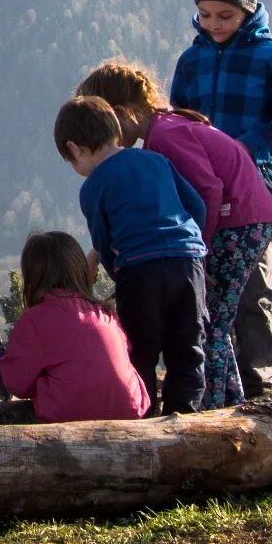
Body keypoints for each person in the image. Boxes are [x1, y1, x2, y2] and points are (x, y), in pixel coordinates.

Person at [76, 61, 272, 408]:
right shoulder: (163, 131)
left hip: (238, 221)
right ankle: (230, 398)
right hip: (243, 218)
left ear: (118, 115)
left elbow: (208, 190)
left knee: (212, 322)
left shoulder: (165, 137)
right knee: (212, 317)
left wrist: (196, 250)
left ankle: (213, 407)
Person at [168, 0, 272, 398]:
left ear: (248, 8)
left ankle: (259, 385)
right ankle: (217, 386)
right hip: (202, 196)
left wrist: (244, 148)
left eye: (226, 15)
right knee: (206, 291)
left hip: (252, 197)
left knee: (252, 292)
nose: (214, 24)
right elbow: (178, 123)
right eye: (205, 15)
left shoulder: (270, 57)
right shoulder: (191, 61)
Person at [54, 95, 209, 414]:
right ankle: (187, 418)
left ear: (74, 149)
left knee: (140, 353)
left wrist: (115, 272)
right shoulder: (155, 160)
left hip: (140, 271)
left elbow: (103, 237)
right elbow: (197, 207)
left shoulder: (94, 185)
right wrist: (188, 244)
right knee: (188, 351)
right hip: (188, 261)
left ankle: (144, 419)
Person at [0, 230, 151, 422]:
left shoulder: (34, 321)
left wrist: (44, 384)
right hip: (131, 410)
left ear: (32, 278)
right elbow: (124, 351)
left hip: (70, 420)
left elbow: (15, 382)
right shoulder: (105, 313)